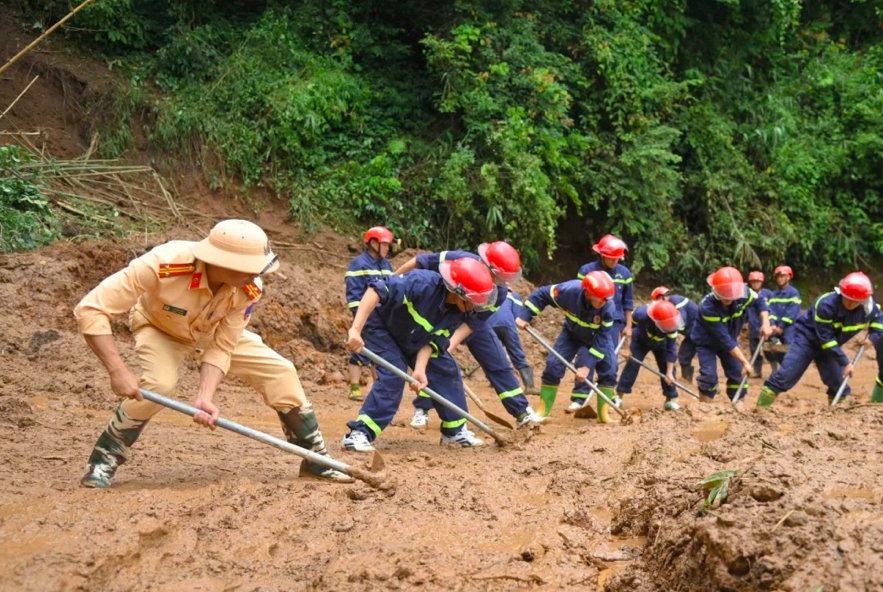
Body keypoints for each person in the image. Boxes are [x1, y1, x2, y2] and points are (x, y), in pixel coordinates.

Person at [75, 220, 352, 488]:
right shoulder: (164, 263)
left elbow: (223, 345)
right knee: (160, 384)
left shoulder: (249, 287)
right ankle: (104, 459)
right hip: (160, 328)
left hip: (210, 332)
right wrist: (117, 371)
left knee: (281, 371)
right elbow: (91, 308)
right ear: (222, 261)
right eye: (249, 269)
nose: (256, 276)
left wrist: (204, 397)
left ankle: (315, 460)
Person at [341, 258, 497, 451]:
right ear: (457, 292)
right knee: (394, 374)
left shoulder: (459, 311)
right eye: (473, 300)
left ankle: (454, 433)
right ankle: (359, 433)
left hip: (414, 337)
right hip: (381, 328)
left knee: (446, 368)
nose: (475, 306)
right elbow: (376, 290)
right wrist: (355, 330)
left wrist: (420, 370)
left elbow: (432, 341)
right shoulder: (421, 283)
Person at [395, 244, 545, 429]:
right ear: (485, 265)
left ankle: (522, 412)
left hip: (469, 318)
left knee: (498, 362)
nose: (500, 282)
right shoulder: (460, 260)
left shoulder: (499, 293)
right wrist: (393, 280)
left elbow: (472, 325)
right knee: (435, 364)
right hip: (438, 313)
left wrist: (447, 345)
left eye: (504, 279)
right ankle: (422, 409)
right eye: (498, 277)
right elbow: (420, 261)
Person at [757, 272, 883, 407]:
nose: (850, 304)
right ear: (841, 293)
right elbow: (826, 338)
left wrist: (873, 337)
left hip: (831, 346)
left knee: (839, 383)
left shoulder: (868, 308)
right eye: (847, 299)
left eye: (855, 301)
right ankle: (760, 411)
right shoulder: (826, 304)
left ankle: (832, 416)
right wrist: (845, 362)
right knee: (785, 375)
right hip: (808, 340)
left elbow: (878, 320)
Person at [516, 271, 618, 422]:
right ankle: (543, 411)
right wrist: (525, 315)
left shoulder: (608, 307)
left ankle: (603, 416)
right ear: (588, 294)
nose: (604, 302)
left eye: (607, 299)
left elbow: (603, 338)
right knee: (553, 365)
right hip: (571, 334)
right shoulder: (568, 291)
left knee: (610, 369)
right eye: (600, 299)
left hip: (597, 337)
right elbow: (542, 294)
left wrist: (587, 366)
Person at [568, 234, 633, 412]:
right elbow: (579, 296)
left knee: (607, 358)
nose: (614, 262)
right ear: (601, 255)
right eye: (611, 258)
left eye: (617, 258)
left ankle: (607, 398)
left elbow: (628, 302)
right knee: (584, 355)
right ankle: (579, 398)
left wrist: (628, 326)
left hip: (613, 321)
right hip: (587, 319)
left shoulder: (624, 274)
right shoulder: (586, 270)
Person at [690, 267, 772, 403]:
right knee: (708, 376)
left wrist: (766, 322)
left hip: (730, 339)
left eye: (731, 295)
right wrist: (745, 362)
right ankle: (704, 411)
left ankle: (738, 409)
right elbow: (725, 340)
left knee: (737, 374)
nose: (728, 299)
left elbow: (760, 302)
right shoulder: (707, 307)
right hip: (707, 343)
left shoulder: (744, 293)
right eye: (724, 296)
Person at [344, 226, 395, 401]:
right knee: (360, 349)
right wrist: (361, 316)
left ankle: (377, 388)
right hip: (366, 316)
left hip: (383, 317)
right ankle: (355, 388)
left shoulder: (386, 265)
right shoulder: (358, 264)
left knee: (378, 352)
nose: (388, 248)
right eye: (385, 245)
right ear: (373, 243)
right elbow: (354, 294)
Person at [615, 300, 683, 410]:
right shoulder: (641, 314)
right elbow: (627, 328)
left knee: (667, 368)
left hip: (662, 344)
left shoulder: (672, 324)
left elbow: (671, 349)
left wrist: (669, 373)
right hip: (640, 340)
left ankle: (671, 398)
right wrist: (626, 348)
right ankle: (619, 396)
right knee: (632, 364)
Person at [487, 290, 538, 395]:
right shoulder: (514, 296)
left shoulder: (491, 293)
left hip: (489, 324)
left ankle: (494, 382)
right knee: (517, 354)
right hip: (507, 325)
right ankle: (529, 386)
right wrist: (513, 334)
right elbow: (518, 317)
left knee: (494, 354)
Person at [651, 286, 699, 383]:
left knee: (704, 358)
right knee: (684, 355)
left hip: (700, 332)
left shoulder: (676, 302)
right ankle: (687, 381)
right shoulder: (670, 304)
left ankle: (711, 384)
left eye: (657, 300)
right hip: (692, 333)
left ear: (663, 297)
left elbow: (680, 321)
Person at [764, 266, 802, 373]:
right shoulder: (773, 294)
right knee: (769, 347)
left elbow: (792, 312)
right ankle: (779, 368)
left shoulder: (794, 293)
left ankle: (790, 371)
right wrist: (772, 324)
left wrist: (782, 326)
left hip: (790, 327)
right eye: (778, 277)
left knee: (788, 347)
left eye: (782, 276)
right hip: (776, 327)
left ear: (788, 278)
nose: (780, 279)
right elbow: (770, 310)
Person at [746, 271, 774, 377]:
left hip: (766, 326)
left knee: (769, 350)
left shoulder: (769, 294)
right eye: (753, 282)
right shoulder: (748, 294)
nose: (755, 284)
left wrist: (771, 323)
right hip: (753, 326)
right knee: (754, 350)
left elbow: (773, 310)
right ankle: (757, 371)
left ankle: (775, 370)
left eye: (757, 281)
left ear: (762, 282)